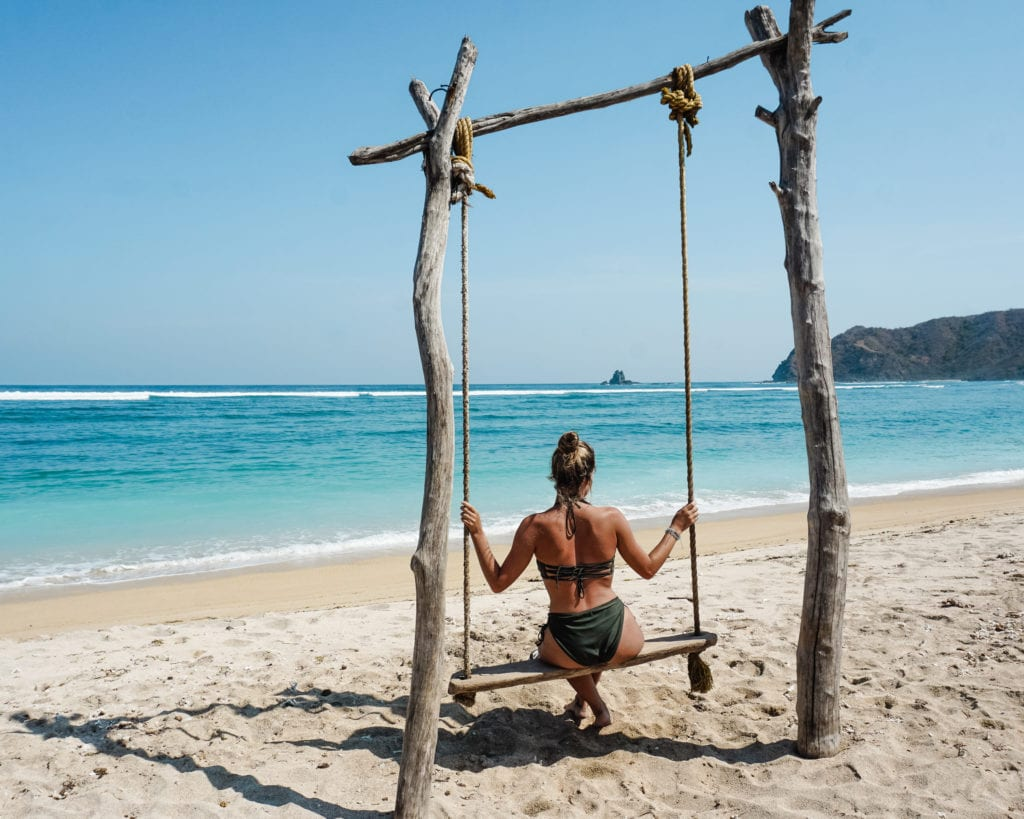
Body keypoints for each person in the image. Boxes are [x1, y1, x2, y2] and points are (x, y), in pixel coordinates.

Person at [459, 430, 698, 729]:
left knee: (563, 652)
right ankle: (580, 704)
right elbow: (648, 569)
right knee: (590, 647)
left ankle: (598, 709)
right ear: (589, 478)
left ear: (554, 477)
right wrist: (676, 527)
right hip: (620, 637)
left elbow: (498, 582)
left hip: (567, 642)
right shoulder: (611, 518)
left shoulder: (534, 526)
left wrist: (478, 532)